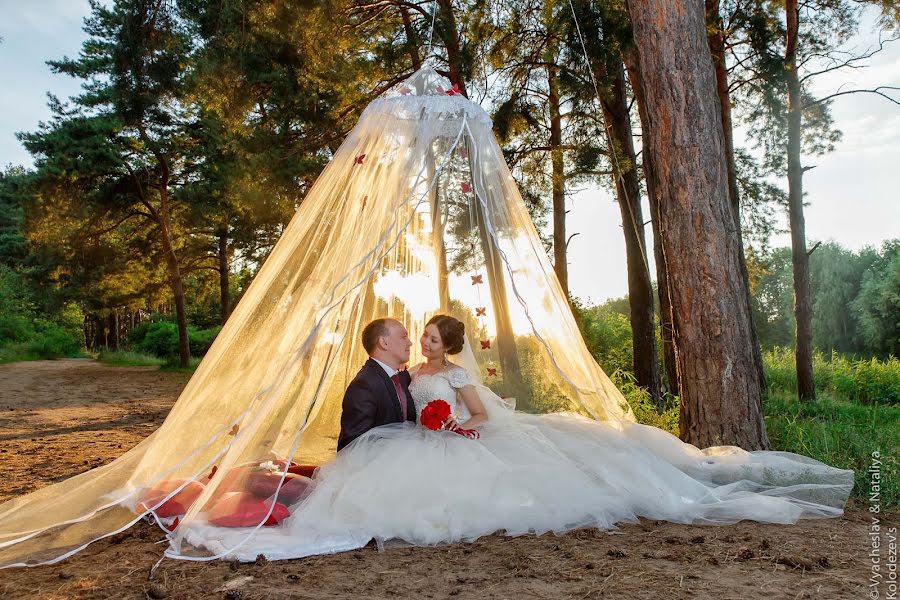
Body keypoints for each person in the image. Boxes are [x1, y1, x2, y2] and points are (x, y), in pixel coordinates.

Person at [184, 313, 852, 561]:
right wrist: (428, 423)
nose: (421, 343)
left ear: (450, 346)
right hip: (420, 441)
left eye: (431, 339)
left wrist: (457, 424)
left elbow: (480, 414)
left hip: (454, 439)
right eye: (417, 337)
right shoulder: (407, 374)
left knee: (512, 485)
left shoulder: (453, 376)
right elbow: (401, 412)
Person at [337, 318, 416, 451]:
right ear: (384, 342)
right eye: (404, 337)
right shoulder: (364, 385)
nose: (410, 342)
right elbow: (352, 443)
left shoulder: (402, 375)